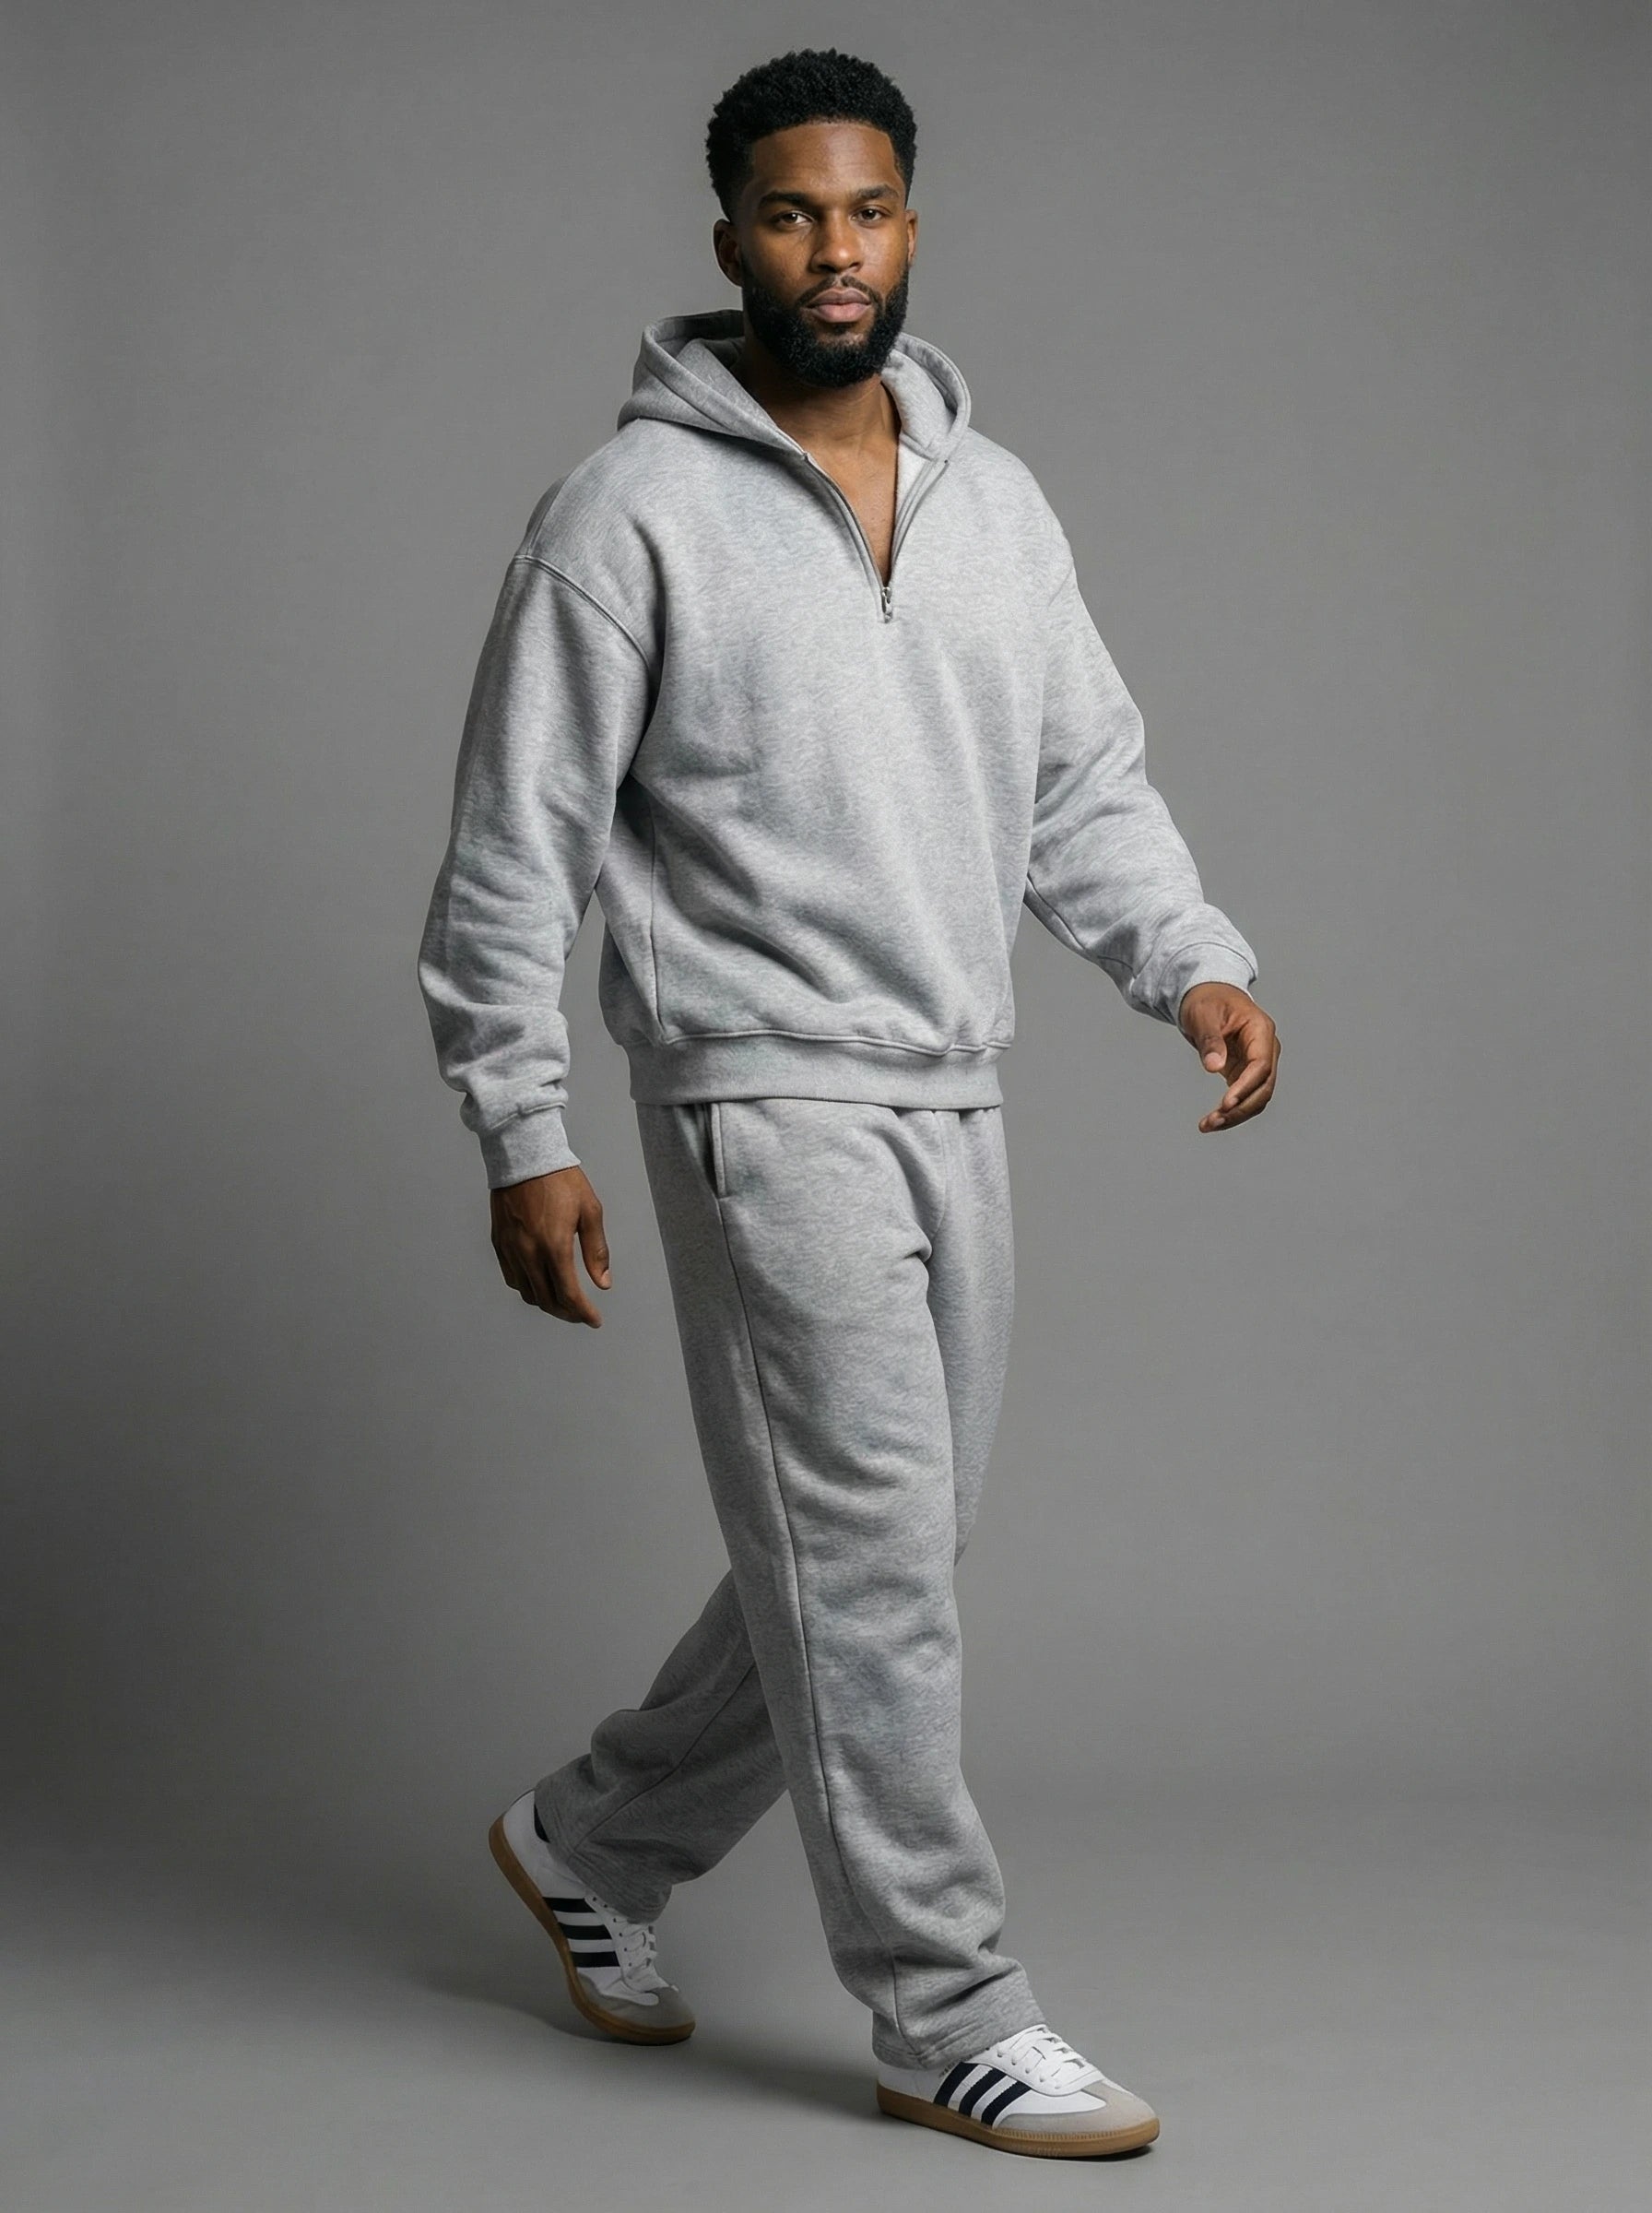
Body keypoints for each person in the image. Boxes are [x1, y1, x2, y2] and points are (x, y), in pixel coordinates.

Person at [418, 45, 1280, 2161]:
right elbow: (515, 843)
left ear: (911, 226)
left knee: (867, 1545)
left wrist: (1186, 956)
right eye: (792, 213)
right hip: (755, 1096)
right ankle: (942, 2009)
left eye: (866, 210)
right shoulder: (625, 514)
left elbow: (1080, 780)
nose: (833, 249)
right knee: (872, 1560)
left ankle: (596, 1839)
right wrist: (521, 1123)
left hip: (950, 1089)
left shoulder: (998, 502)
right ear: (727, 236)